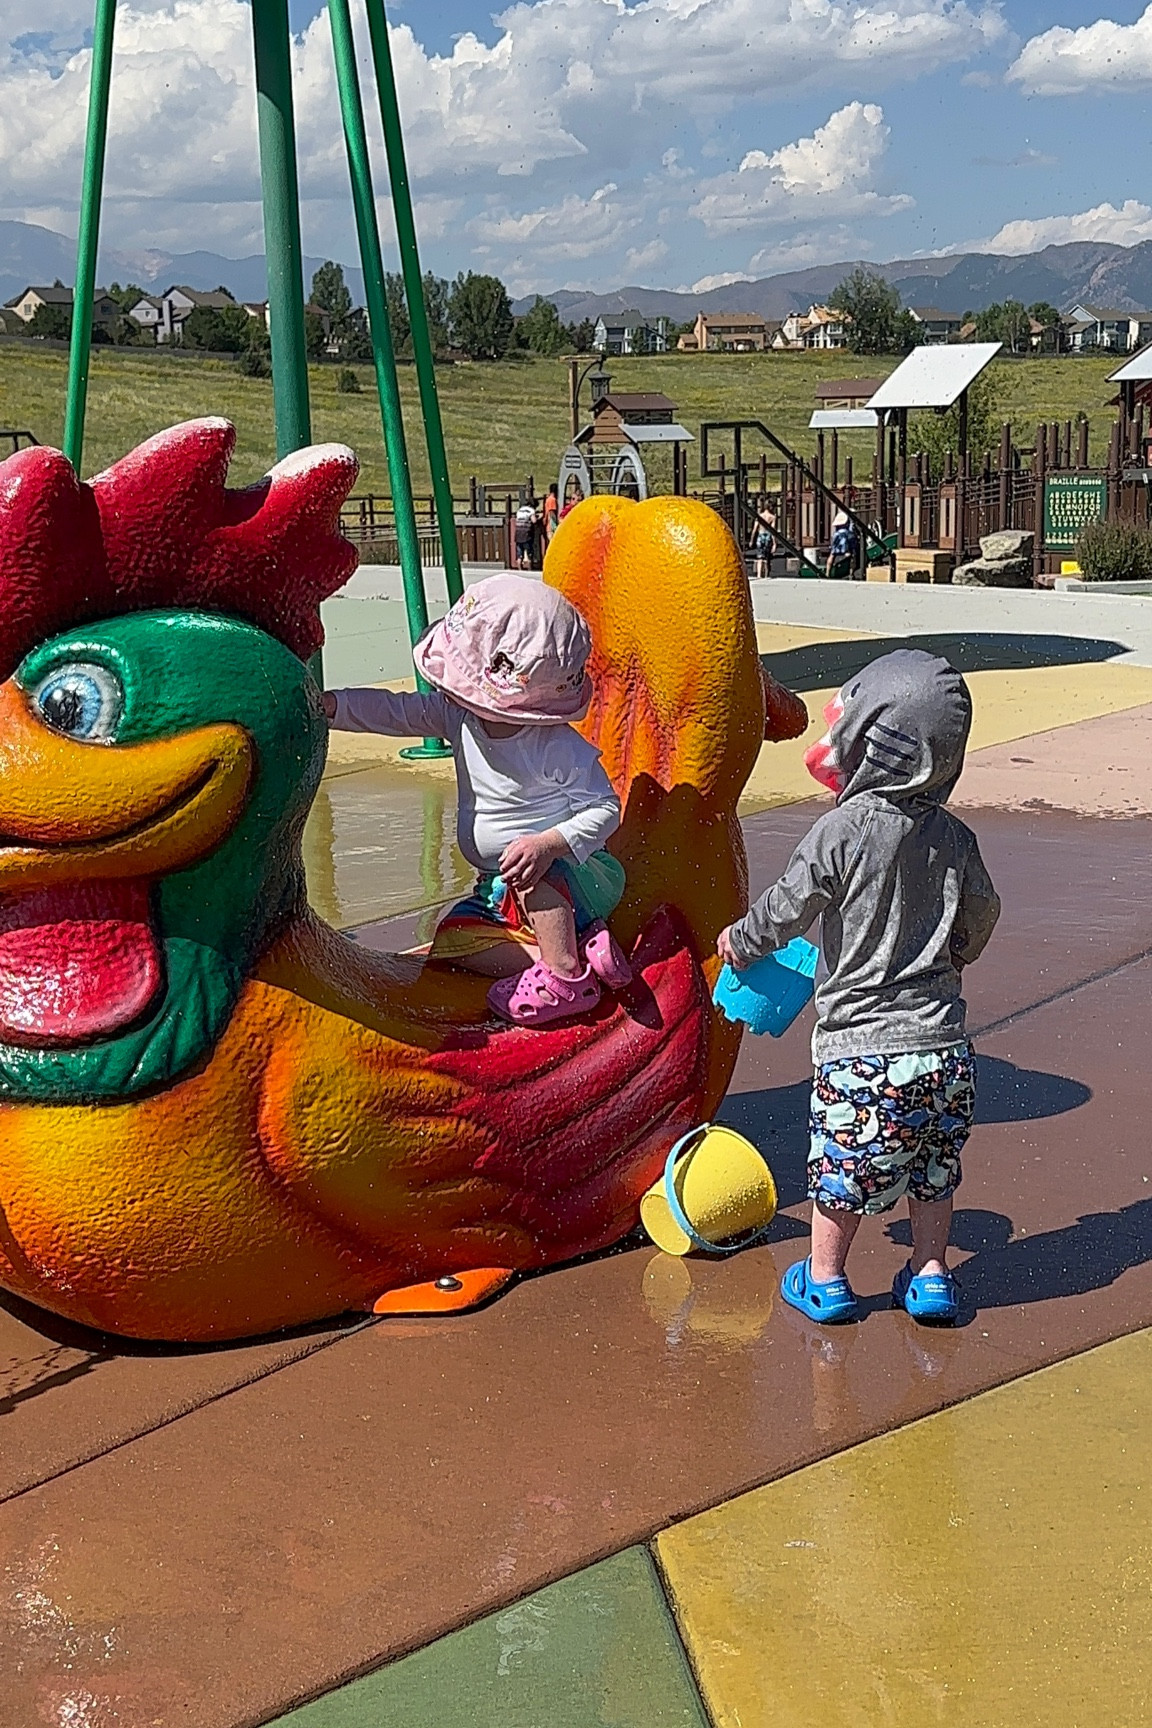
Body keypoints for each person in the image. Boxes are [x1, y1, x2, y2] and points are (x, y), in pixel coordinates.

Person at [717, 650, 1000, 1327]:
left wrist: (743, 940)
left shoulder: (842, 831)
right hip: (944, 1050)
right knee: (933, 1170)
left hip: (861, 1053)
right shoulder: (956, 839)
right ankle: (931, 1275)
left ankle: (826, 1279)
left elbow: (791, 904)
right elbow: (983, 911)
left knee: (841, 1173)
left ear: (867, 740)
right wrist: (954, 955)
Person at [325, 575, 632, 1027]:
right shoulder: (459, 715)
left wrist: (547, 844)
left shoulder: (553, 744)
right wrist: (335, 707)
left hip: (577, 879)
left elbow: (605, 809)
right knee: (452, 940)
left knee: (534, 877)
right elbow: (398, 711)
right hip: (500, 886)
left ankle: (567, 977)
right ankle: (581, 950)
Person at [826, 509, 859, 580]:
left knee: (832, 555)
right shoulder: (849, 521)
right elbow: (851, 530)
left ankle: (827, 573)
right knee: (852, 555)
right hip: (845, 537)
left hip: (836, 536)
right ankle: (851, 573)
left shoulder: (840, 516)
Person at [750, 497, 777, 579]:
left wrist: (751, 540)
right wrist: (775, 543)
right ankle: (766, 575)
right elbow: (773, 531)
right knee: (767, 557)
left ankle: (758, 574)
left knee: (759, 556)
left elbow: (754, 529)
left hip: (760, 536)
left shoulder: (759, 516)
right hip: (768, 536)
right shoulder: (772, 517)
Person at [514, 496, 538, 570]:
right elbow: (534, 521)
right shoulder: (531, 510)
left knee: (519, 554)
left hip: (518, 534)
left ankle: (520, 569)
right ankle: (530, 569)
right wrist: (538, 517)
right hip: (526, 534)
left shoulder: (520, 510)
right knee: (529, 552)